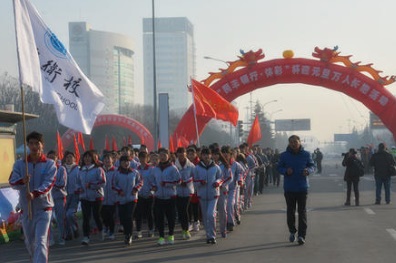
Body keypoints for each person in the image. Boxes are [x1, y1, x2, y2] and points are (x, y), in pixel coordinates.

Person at [9, 131, 57, 262]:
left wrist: (35, 193)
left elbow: (49, 183)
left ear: (42, 145)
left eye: (37, 143)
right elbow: (12, 181)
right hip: (27, 210)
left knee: (41, 241)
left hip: (43, 209)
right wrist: (22, 181)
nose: (34, 146)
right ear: (28, 145)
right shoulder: (20, 164)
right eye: (31, 143)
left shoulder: (49, 164)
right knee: (30, 242)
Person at [277, 135, 315, 245]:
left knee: (302, 211)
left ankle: (302, 235)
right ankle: (292, 231)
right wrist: (285, 171)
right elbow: (279, 167)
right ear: (289, 143)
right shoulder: (284, 155)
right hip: (289, 188)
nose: (294, 143)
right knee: (290, 211)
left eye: (295, 141)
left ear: (299, 142)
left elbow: (313, 166)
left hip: (302, 187)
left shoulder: (306, 154)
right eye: (291, 142)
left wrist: (308, 170)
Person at [151, 148, 181, 245]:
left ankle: (171, 235)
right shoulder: (155, 169)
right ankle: (161, 236)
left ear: (168, 156)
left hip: (170, 197)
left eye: (164, 155)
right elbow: (152, 180)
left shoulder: (173, 168)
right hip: (159, 196)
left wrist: (167, 184)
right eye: (161, 155)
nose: (162, 157)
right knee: (159, 217)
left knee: (170, 217)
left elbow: (178, 181)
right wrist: (154, 187)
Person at [76, 150, 106, 245]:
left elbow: (103, 182)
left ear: (93, 158)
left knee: (96, 216)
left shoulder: (98, 169)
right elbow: (77, 183)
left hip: (96, 196)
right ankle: (86, 237)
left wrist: (91, 185)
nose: (87, 159)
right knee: (86, 217)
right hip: (85, 197)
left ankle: (101, 230)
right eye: (85, 157)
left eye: (89, 157)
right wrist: (79, 188)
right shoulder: (81, 170)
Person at [193, 146, 223, 244]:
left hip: (213, 194)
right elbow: (194, 181)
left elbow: (221, 178)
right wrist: (200, 182)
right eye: (204, 154)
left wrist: (217, 183)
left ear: (211, 156)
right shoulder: (197, 168)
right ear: (201, 156)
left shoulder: (216, 167)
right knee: (205, 217)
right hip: (202, 195)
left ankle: (213, 236)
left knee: (211, 215)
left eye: (208, 154)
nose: (206, 156)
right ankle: (208, 235)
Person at [113, 155, 143, 245]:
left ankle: (129, 235)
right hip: (121, 199)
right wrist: (119, 191)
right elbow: (113, 185)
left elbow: (140, 181)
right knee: (123, 218)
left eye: (127, 162)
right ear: (120, 163)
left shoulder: (135, 172)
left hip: (132, 198)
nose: (126, 163)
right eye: (123, 162)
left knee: (129, 216)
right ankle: (126, 233)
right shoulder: (117, 173)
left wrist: (136, 189)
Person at [47, 150, 68, 246]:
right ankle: (50, 239)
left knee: (60, 219)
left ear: (57, 158)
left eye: (53, 157)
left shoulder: (61, 169)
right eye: (49, 157)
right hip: (48, 198)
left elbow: (62, 184)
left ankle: (61, 237)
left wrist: (51, 184)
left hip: (59, 197)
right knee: (48, 219)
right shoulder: (45, 169)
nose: (51, 159)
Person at [174, 147, 195, 240]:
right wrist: (179, 182)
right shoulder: (174, 166)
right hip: (177, 191)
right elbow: (171, 177)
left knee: (184, 209)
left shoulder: (191, 166)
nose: (181, 156)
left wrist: (186, 181)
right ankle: (183, 228)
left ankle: (186, 229)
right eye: (179, 154)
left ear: (185, 154)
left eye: (183, 153)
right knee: (180, 210)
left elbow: (194, 176)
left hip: (188, 190)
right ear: (177, 155)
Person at [64, 151, 80, 241]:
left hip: (74, 194)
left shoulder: (78, 169)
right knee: (64, 216)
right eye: (67, 157)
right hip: (64, 195)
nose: (69, 159)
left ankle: (74, 227)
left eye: (71, 157)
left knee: (70, 214)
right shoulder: (62, 169)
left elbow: (81, 181)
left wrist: (78, 189)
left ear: (74, 158)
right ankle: (68, 233)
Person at [101, 153, 117, 240]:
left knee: (111, 215)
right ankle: (106, 227)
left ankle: (111, 231)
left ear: (112, 160)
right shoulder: (100, 170)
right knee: (104, 215)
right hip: (102, 197)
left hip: (112, 197)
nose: (107, 161)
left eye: (109, 159)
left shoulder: (116, 171)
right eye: (105, 159)